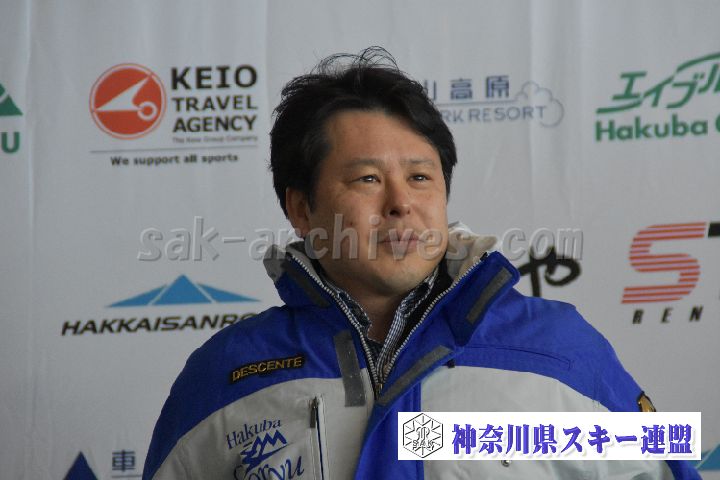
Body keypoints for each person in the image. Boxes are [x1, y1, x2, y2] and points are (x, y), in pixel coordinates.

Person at [143, 48, 699, 479]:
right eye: (367, 179)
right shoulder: (227, 373)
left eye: (420, 177)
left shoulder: (558, 349)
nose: (401, 203)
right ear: (302, 209)